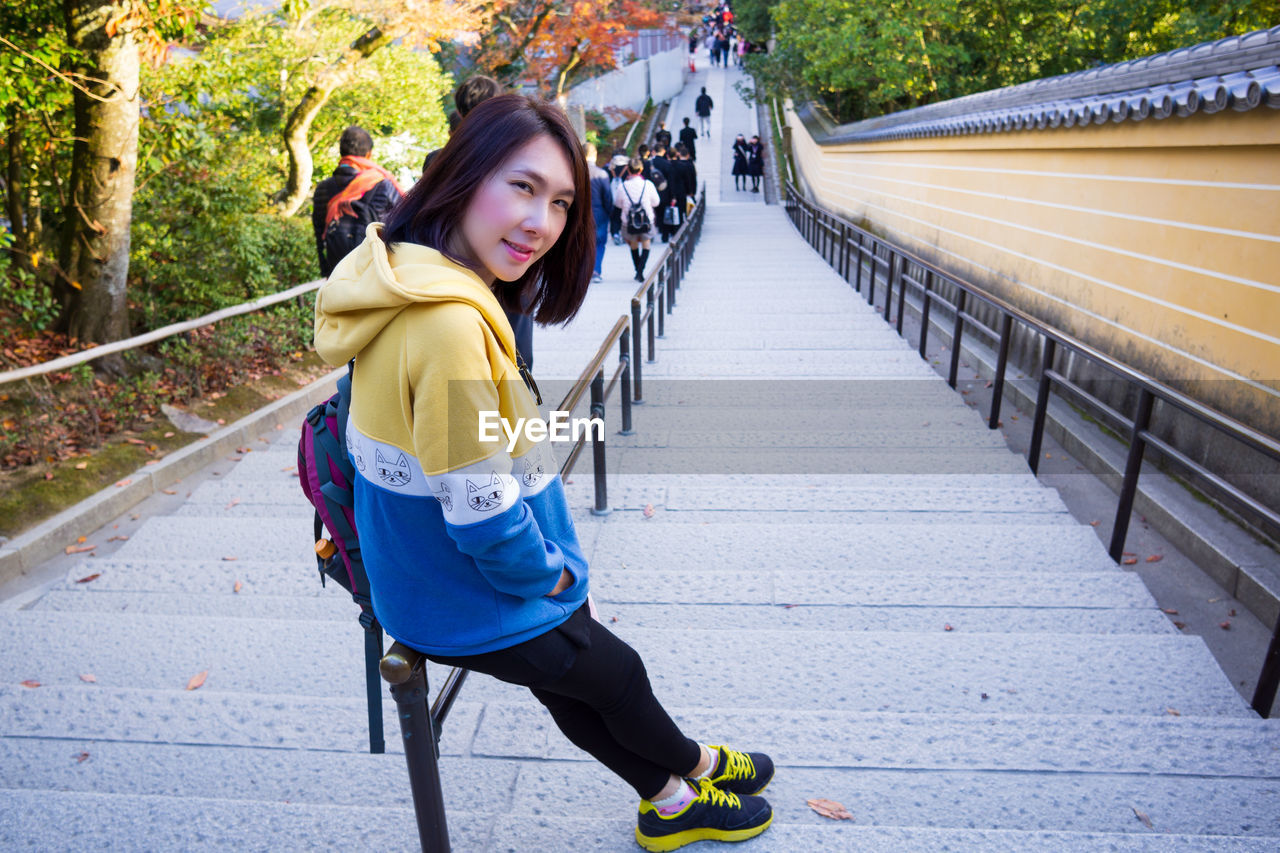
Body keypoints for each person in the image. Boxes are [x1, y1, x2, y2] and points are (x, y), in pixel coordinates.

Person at [313, 94, 774, 852]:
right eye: (521, 187)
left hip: (418, 577)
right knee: (617, 675)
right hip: (468, 591)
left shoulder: (398, 273)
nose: (542, 223)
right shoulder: (451, 323)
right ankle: (692, 768)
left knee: (572, 683)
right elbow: (482, 511)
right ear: (463, 175)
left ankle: (669, 796)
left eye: (560, 201)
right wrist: (551, 576)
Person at [312, 126, 403, 278]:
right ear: (369, 154)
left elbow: (319, 233)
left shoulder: (323, 188)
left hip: (338, 271)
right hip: (375, 270)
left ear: (342, 153)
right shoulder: (382, 184)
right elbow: (403, 222)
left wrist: (326, 271)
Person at [615, 156, 660, 282]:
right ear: (641, 170)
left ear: (628, 170)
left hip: (629, 221)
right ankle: (640, 271)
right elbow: (656, 202)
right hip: (646, 220)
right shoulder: (648, 184)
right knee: (646, 244)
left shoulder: (623, 186)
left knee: (633, 245)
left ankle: (637, 270)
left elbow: (618, 203)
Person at [586, 142, 612, 282]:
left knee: (581, 243)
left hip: (580, 213)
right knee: (599, 242)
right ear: (594, 155)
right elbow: (607, 196)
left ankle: (583, 272)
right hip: (599, 211)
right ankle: (596, 270)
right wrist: (609, 212)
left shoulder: (574, 173)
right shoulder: (602, 174)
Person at [651, 142, 676, 244]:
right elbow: (671, 181)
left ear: (654, 151)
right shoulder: (667, 164)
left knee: (653, 213)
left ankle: (652, 233)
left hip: (652, 191)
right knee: (664, 213)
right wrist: (673, 195)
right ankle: (664, 235)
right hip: (665, 192)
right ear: (664, 151)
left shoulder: (650, 164)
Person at [608, 148, 630, 245]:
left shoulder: (609, 167)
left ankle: (615, 234)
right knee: (625, 215)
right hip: (626, 196)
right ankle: (624, 234)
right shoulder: (628, 167)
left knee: (614, 216)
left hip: (613, 196)